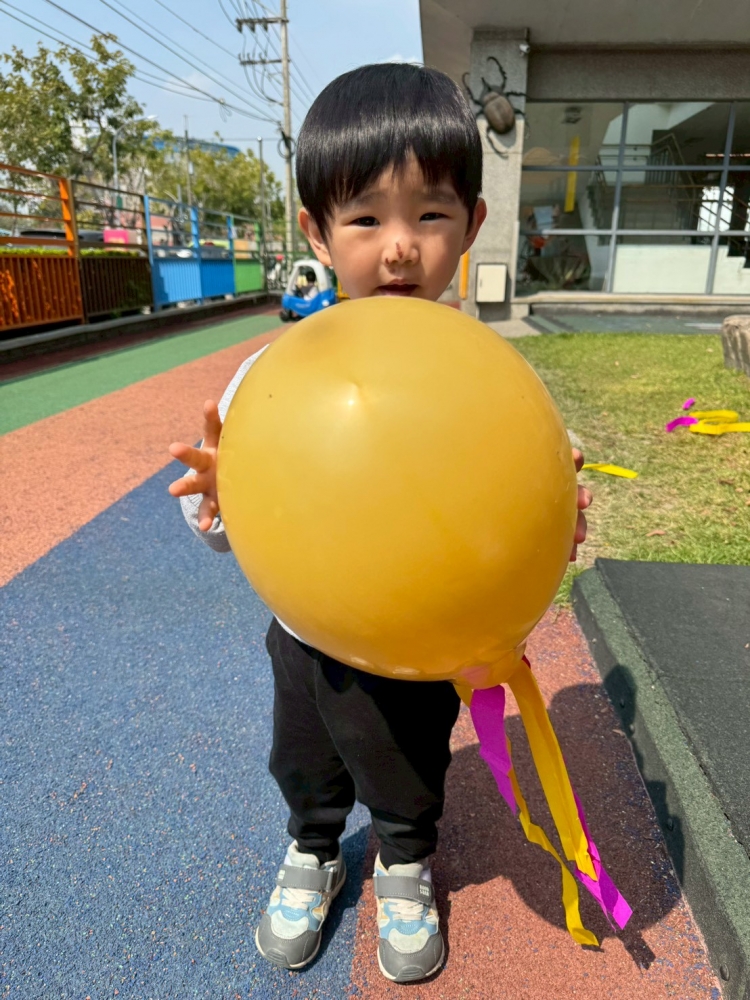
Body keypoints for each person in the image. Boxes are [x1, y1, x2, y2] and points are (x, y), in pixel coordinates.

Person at [168, 63, 592, 984]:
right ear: (318, 232)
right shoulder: (274, 379)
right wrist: (218, 498)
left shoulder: (488, 380)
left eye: (430, 214)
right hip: (308, 630)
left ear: (471, 226)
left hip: (425, 635)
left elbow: (517, 504)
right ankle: (312, 848)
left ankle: (404, 860)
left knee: (409, 761)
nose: (399, 248)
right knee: (304, 756)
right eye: (365, 219)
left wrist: (551, 518)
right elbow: (237, 532)